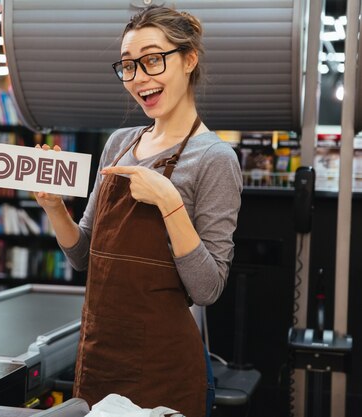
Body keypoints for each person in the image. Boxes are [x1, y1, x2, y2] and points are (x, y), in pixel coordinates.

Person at [34, 5, 242, 417]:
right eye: (128, 66)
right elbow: (82, 257)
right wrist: (55, 208)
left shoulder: (215, 158)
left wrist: (169, 202)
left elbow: (208, 289)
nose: (139, 78)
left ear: (189, 59)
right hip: (99, 357)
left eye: (152, 60)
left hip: (163, 367)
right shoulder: (120, 143)